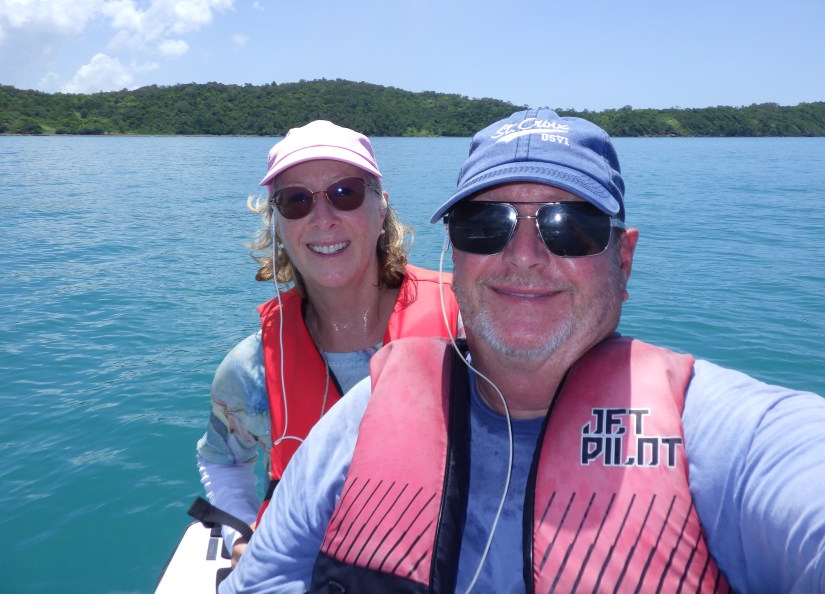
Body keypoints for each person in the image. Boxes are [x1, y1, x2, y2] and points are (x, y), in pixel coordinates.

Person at [220, 110, 825, 593]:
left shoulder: (727, 439)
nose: (524, 257)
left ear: (624, 259)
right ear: (456, 254)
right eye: (486, 225)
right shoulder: (360, 419)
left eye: (570, 226)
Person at [196, 120, 461, 565]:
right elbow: (222, 458)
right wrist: (239, 536)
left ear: (381, 209)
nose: (323, 219)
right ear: (277, 224)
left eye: (346, 193)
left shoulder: (467, 325)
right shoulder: (251, 369)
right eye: (296, 201)